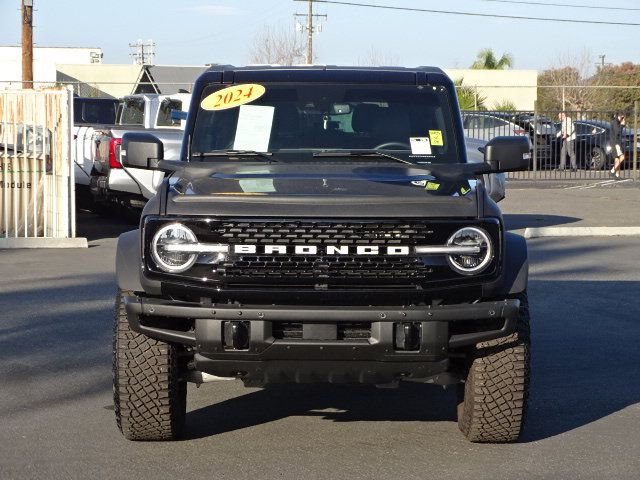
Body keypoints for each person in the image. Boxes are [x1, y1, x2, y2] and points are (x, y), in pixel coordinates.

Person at [610, 113, 626, 179]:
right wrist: (622, 126)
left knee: (617, 159)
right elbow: (617, 132)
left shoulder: (617, 122)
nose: (623, 119)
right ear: (619, 116)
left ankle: (617, 175)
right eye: (622, 118)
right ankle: (612, 170)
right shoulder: (615, 122)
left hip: (616, 142)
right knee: (622, 157)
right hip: (616, 143)